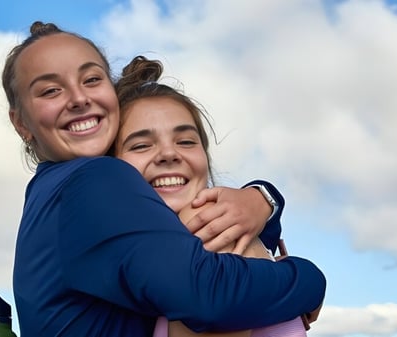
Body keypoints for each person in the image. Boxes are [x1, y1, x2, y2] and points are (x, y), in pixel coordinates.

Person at [2, 21, 326, 337]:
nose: (78, 98)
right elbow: (209, 298)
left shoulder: (51, 192)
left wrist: (264, 200)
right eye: (50, 90)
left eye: (91, 79)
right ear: (21, 123)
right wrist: (309, 279)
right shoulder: (98, 177)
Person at [113, 56, 315, 337]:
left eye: (185, 141)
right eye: (142, 145)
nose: (169, 154)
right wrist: (306, 279)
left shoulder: (209, 223)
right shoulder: (144, 251)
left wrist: (263, 198)